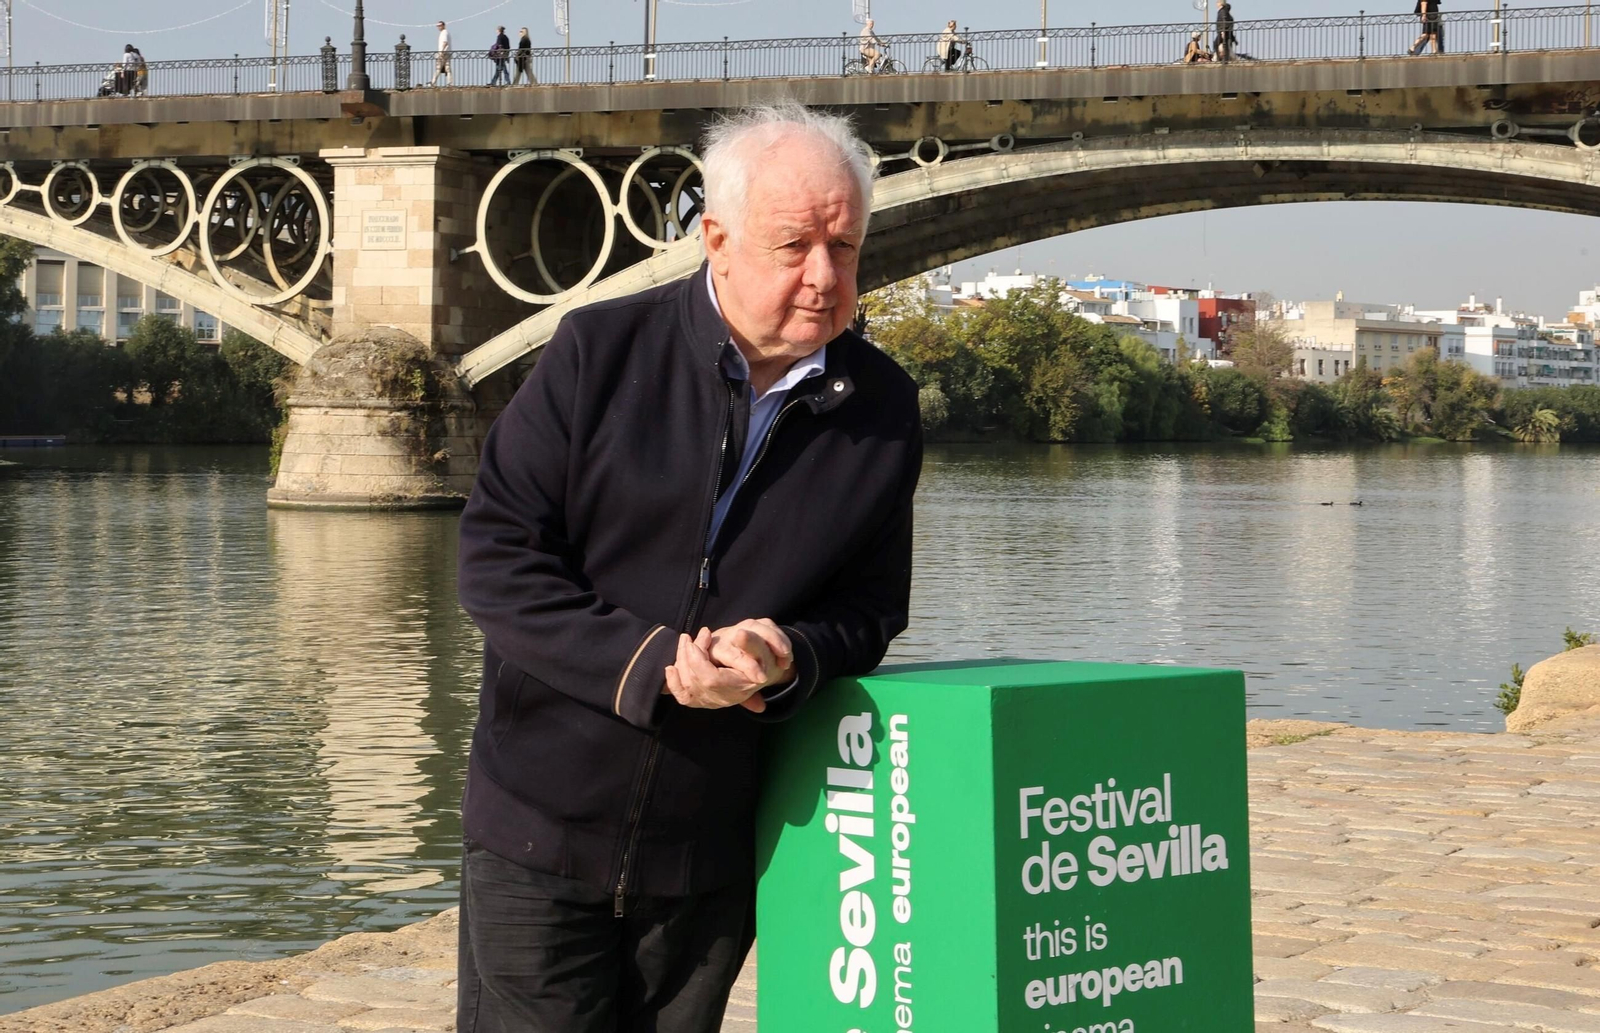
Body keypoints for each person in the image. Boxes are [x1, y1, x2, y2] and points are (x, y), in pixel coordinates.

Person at [455, 101, 922, 1033]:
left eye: (846, 248)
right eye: (794, 246)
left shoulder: (883, 407)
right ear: (714, 237)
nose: (825, 277)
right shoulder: (596, 351)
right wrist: (655, 663)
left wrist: (791, 653)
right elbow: (498, 561)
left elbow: (872, 607)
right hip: (539, 823)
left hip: (709, 851)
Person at [430, 20, 452, 86]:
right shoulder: (446, 32)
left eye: (440, 26)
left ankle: (433, 82)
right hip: (447, 52)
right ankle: (449, 83)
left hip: (443, 53)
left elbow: (445, 42)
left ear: (443, 26)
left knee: (439, 68)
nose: (439, 27)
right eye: (438, 26)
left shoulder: (444, 33)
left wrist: (441, 51)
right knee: (447, 68)